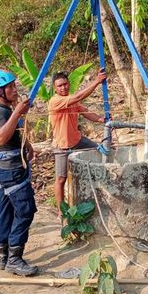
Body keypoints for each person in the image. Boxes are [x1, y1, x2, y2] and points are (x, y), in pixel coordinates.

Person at [0, 69, 38, 276]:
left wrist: (27, 145)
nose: (15, 90)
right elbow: (0, 138)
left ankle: (4, 255)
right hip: (10, 171)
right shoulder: (1, 111)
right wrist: (17, 112)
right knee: (25, 211)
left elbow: (12, 133)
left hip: (0, 170)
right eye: (10, 87)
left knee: (4, 211)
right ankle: (15, 258)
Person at [49, 68, 107, 217]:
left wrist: (101, 119)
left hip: (77, 140)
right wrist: (96, 82)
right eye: (60, 86)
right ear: (55, 88)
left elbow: (86, 112)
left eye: (65, 84)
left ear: (69, 84)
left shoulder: (72, 100)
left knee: (101, 150)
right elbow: (78, 97)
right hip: (62, 145)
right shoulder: (56, 101)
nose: (63, 87)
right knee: (61, 178)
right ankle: (61, 211)